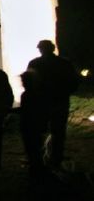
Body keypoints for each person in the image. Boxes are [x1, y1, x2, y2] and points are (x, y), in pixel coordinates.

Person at [26, 40, 78, 168]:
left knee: (38, 132)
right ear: (53, 49)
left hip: (40, 103)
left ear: (40, 49)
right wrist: (64, 93)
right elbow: (74, 82)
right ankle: (56, 159)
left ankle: (39, 160)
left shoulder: (35, 63)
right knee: (58, 133)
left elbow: (28, 82)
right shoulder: (64, 63)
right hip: (60, 101)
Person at [19, 69, 49, 179]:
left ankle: (36, 169)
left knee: (31, 147)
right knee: (37, 146)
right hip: (37, 124)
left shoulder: (26, 95)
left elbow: (25, 111)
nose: (22, 83)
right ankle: (39, 167)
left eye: (23, 81)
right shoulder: (40, 94)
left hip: (28, 125)